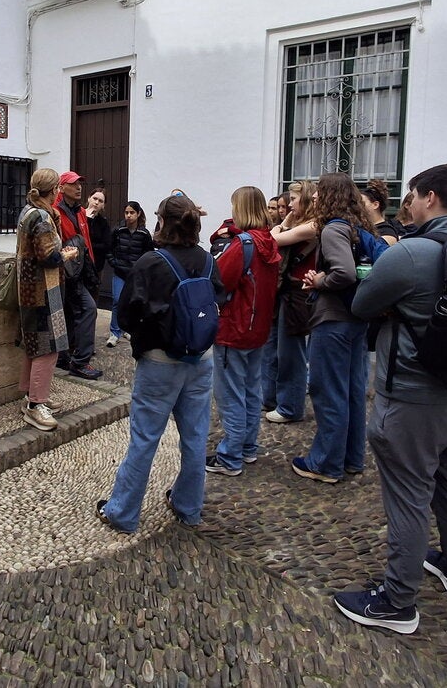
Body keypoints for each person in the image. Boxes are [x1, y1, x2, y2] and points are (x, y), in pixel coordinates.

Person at [334, 164, 447, 635]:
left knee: (409, 494)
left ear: (430, 197)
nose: (410, 204)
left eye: (413, 195)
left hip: (415, 393)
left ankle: (397, 601)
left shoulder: (414, 252)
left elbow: (361, 304)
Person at [97, 195, 225, 532]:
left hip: (159, 362)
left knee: (145, 438)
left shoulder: (151, 262)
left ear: (162, 222)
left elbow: (126, 314)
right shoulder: (207, 260)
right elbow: (220, 300)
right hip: (201, 359)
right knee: (195, 437)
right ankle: (188, 506)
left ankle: (122, 513)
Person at [291, 173, 371, 485]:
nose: (313, 197)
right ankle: (351, 458)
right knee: (352, 392)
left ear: (330, 196)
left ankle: (326, 463)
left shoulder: (333, 229)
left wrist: (319, 281)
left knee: (329, 392)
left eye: (319, 192)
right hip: (354, 318)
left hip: (333, 320)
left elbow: (344, 273)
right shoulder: (356, 227)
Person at [205, 187, 281, 476]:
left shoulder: (243, 244)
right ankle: (248, 447)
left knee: (231, 394)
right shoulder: (268, 240)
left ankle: (230, 457)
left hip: (234, 328)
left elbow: (219, 278)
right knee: (250, 391)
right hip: (257, 328)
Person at [15, 168, 79, 431]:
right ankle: (35, 405)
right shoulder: (41, 216)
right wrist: (67, 254)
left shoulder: (27, 211)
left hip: (29, 288)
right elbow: (49, 257)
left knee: (34, 343)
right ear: (54, 190)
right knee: (48, 347)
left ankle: (30, 394)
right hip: (43, 291)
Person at [265, 180, 318, 423]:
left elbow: (271, 240)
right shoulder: (303, 223)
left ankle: (290, 407)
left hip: (298, 295)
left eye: (294, 199)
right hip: (289, 292)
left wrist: (284, 224)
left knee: (291, 354)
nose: (290, 204)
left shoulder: (313, 225)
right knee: (280, 350)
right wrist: (286, 222)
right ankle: (278, 399)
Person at [54, 171, 102, 380]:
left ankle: (64, 356)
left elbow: (86, 242)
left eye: (80, 183)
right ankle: (80, 362)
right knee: (88, 309)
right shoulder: (55, 211)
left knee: (72, 313)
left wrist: (90, 269)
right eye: (73, 184)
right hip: (64, 273)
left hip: (79, 273)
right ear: (62, 187)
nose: (79, 187)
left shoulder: (80, 211)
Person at [106, 201, 153, 347]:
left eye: (132, 212)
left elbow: (149, 254)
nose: (128, 215)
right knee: (117, 300)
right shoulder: (118, 230)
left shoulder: (144, 234)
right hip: (119, 272)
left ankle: (128, 329)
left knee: (133, 302)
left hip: (135, 275)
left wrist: (141, 269)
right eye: (126, 212)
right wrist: (114, 263)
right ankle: (114, 333)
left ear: (138, 214)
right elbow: (109, 249)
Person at [85, 188, 112, 307]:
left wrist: (90, 245)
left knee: (93, 297)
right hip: (78, 266)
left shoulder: (102, 222)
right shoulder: (79, 215)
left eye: (100, 201)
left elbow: (107, 244)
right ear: (89, 198)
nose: (96, 202)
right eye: (95, 198)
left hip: (96, 266)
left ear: (103, 205)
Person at [361, 179, 402, 245]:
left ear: (375, 205)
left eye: (362, 203)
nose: (358, 206)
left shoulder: (388, 233)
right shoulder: (361, 227)